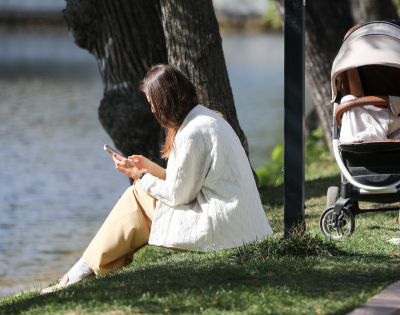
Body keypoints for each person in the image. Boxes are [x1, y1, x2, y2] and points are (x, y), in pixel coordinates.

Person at [41, 64, 273, 294]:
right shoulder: (205, 118)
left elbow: (179, 195)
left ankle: (79, 273)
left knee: (137, 195)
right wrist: (152, 169)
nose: (152, 110)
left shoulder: (192, 132)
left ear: (166, 101)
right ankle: (88, 269)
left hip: (225, 230)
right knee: (141, 194)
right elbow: (189, 184)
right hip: (240, 225)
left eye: (153, 103)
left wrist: (139, 175)